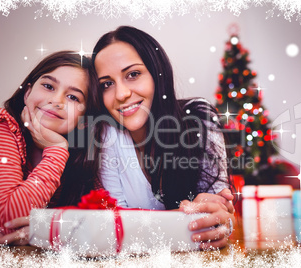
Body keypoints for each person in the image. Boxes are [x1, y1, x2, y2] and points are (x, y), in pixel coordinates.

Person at [91, 26, 235, 249]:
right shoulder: (106, 134)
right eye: (107, 84)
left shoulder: (200, 119)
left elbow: (220, 217)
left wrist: (222, 221)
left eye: (133, 74)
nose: (121, 94)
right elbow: (116, 229)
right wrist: (182, 219)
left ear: (158, 73)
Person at [0, 51, 100, 245]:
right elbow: (10, 220)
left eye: (73, 97)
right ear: (28, 92)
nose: (57, 101)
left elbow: (103, 219)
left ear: (84, 121)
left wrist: (52, 228)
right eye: (48, 86)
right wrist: (57, 149)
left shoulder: (81, 157)